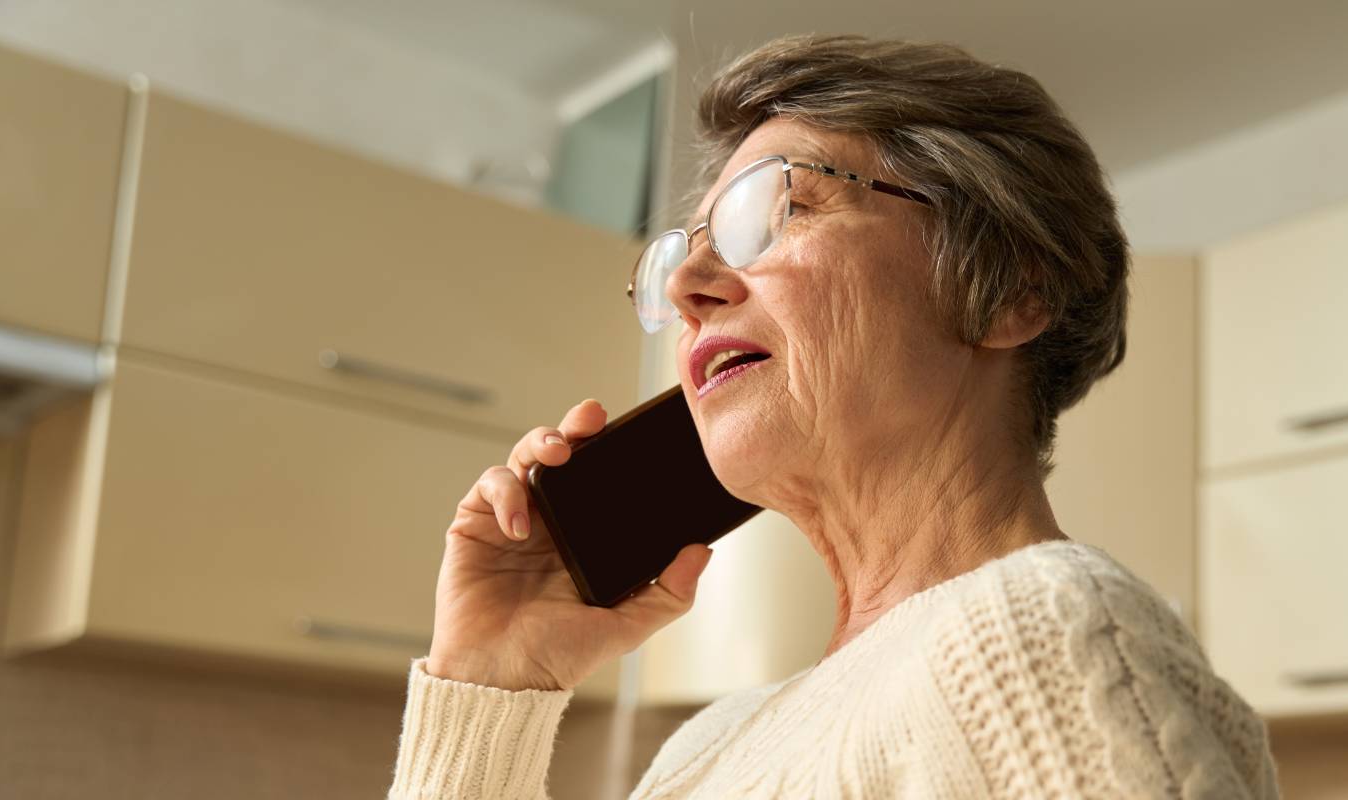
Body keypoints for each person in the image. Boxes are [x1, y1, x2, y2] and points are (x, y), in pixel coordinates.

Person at [389, 34, 1279, 799]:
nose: (690, 290)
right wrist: (489, 684)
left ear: (1011, 292)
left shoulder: (1044, 630)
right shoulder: (707, 746)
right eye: (680, 256)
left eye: (774, 212)